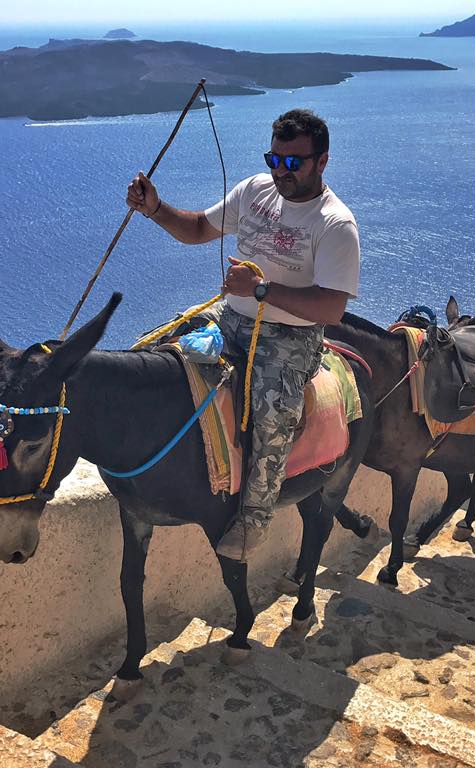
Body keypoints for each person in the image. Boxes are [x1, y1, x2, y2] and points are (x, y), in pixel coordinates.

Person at [126, 108, 361, 561]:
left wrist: (260, 290)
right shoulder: (255, 191)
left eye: (293, 162)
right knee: (155, 348)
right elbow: (197, 229)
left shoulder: (335, 224)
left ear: (322, 162)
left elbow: (331, 307)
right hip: (229, 319)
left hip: (289, 340)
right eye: (274, 159)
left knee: (274, 412)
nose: (280, 171)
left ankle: (253, 519)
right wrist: (154, 208)